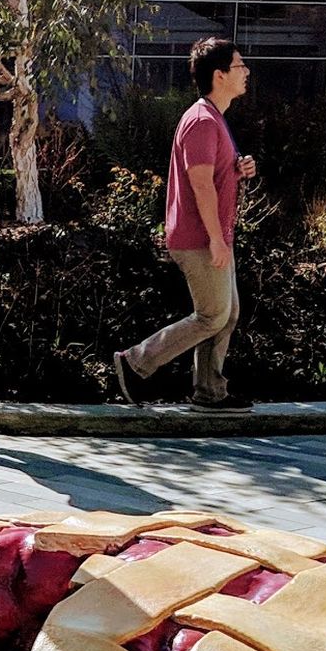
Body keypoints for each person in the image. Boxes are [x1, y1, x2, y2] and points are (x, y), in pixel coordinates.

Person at [113, 37, 258, 412]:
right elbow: (199, 186)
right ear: (220, 75)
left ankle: (210, 392)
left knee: (227, 313)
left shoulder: (214, 119)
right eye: (240, 66)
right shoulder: (201, 121)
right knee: (212, 315)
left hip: (213, 234)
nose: (247, 72)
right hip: (199, 238)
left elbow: (212, 175)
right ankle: (135, 362)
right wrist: (215, 239)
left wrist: (237, 168)